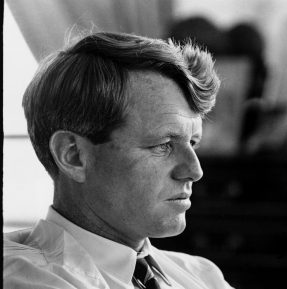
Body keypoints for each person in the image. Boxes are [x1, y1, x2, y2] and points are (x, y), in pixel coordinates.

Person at [3, 32, 234, 289]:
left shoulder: (203, 275)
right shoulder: (25, 278)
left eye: (192, 143)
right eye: (163, 145)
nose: (194, 170)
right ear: (73, 155)